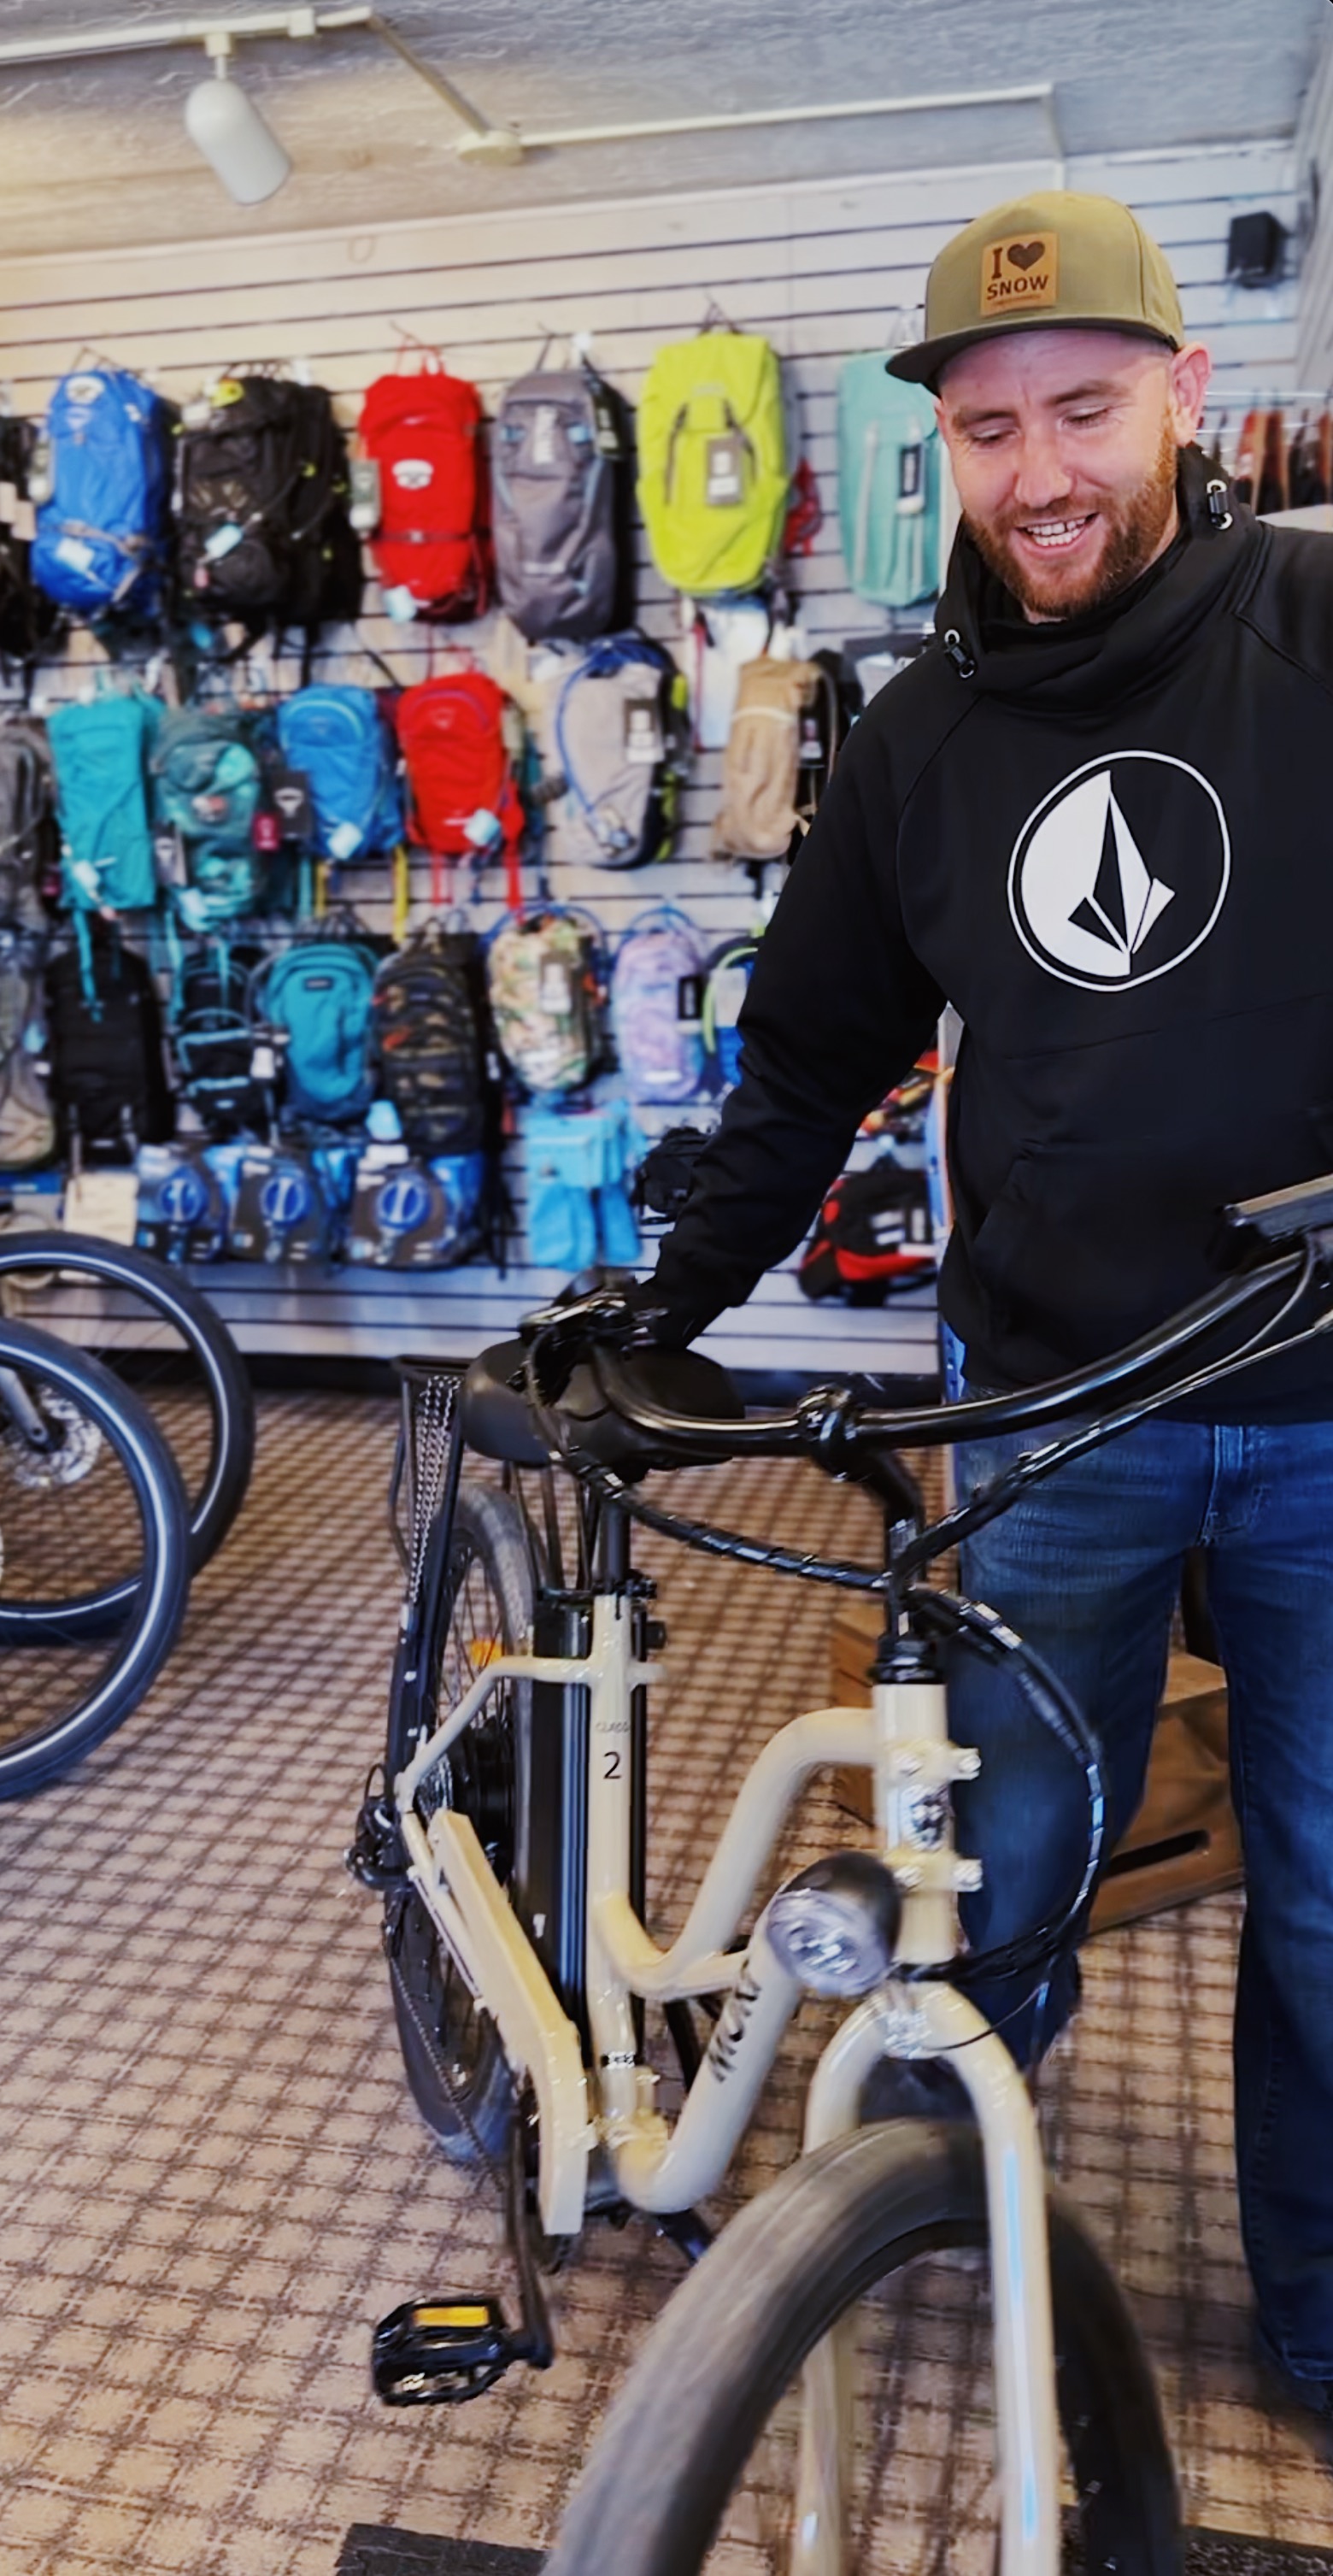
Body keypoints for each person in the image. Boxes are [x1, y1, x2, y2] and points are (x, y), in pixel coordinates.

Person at [640, 190, 1333, 2420]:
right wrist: (664, 1309)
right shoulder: (924, 739)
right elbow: (807, 1057)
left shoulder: (1320, 631)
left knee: (1330, 1919)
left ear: (1185, 398)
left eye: (1088, 411)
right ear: (944, 441)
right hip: (1055, 1416)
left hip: (1331, 1420)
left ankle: (1319, 2337)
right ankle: (920, 2259)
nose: (1042, 472)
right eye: (993, 425)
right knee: (997, 1896)